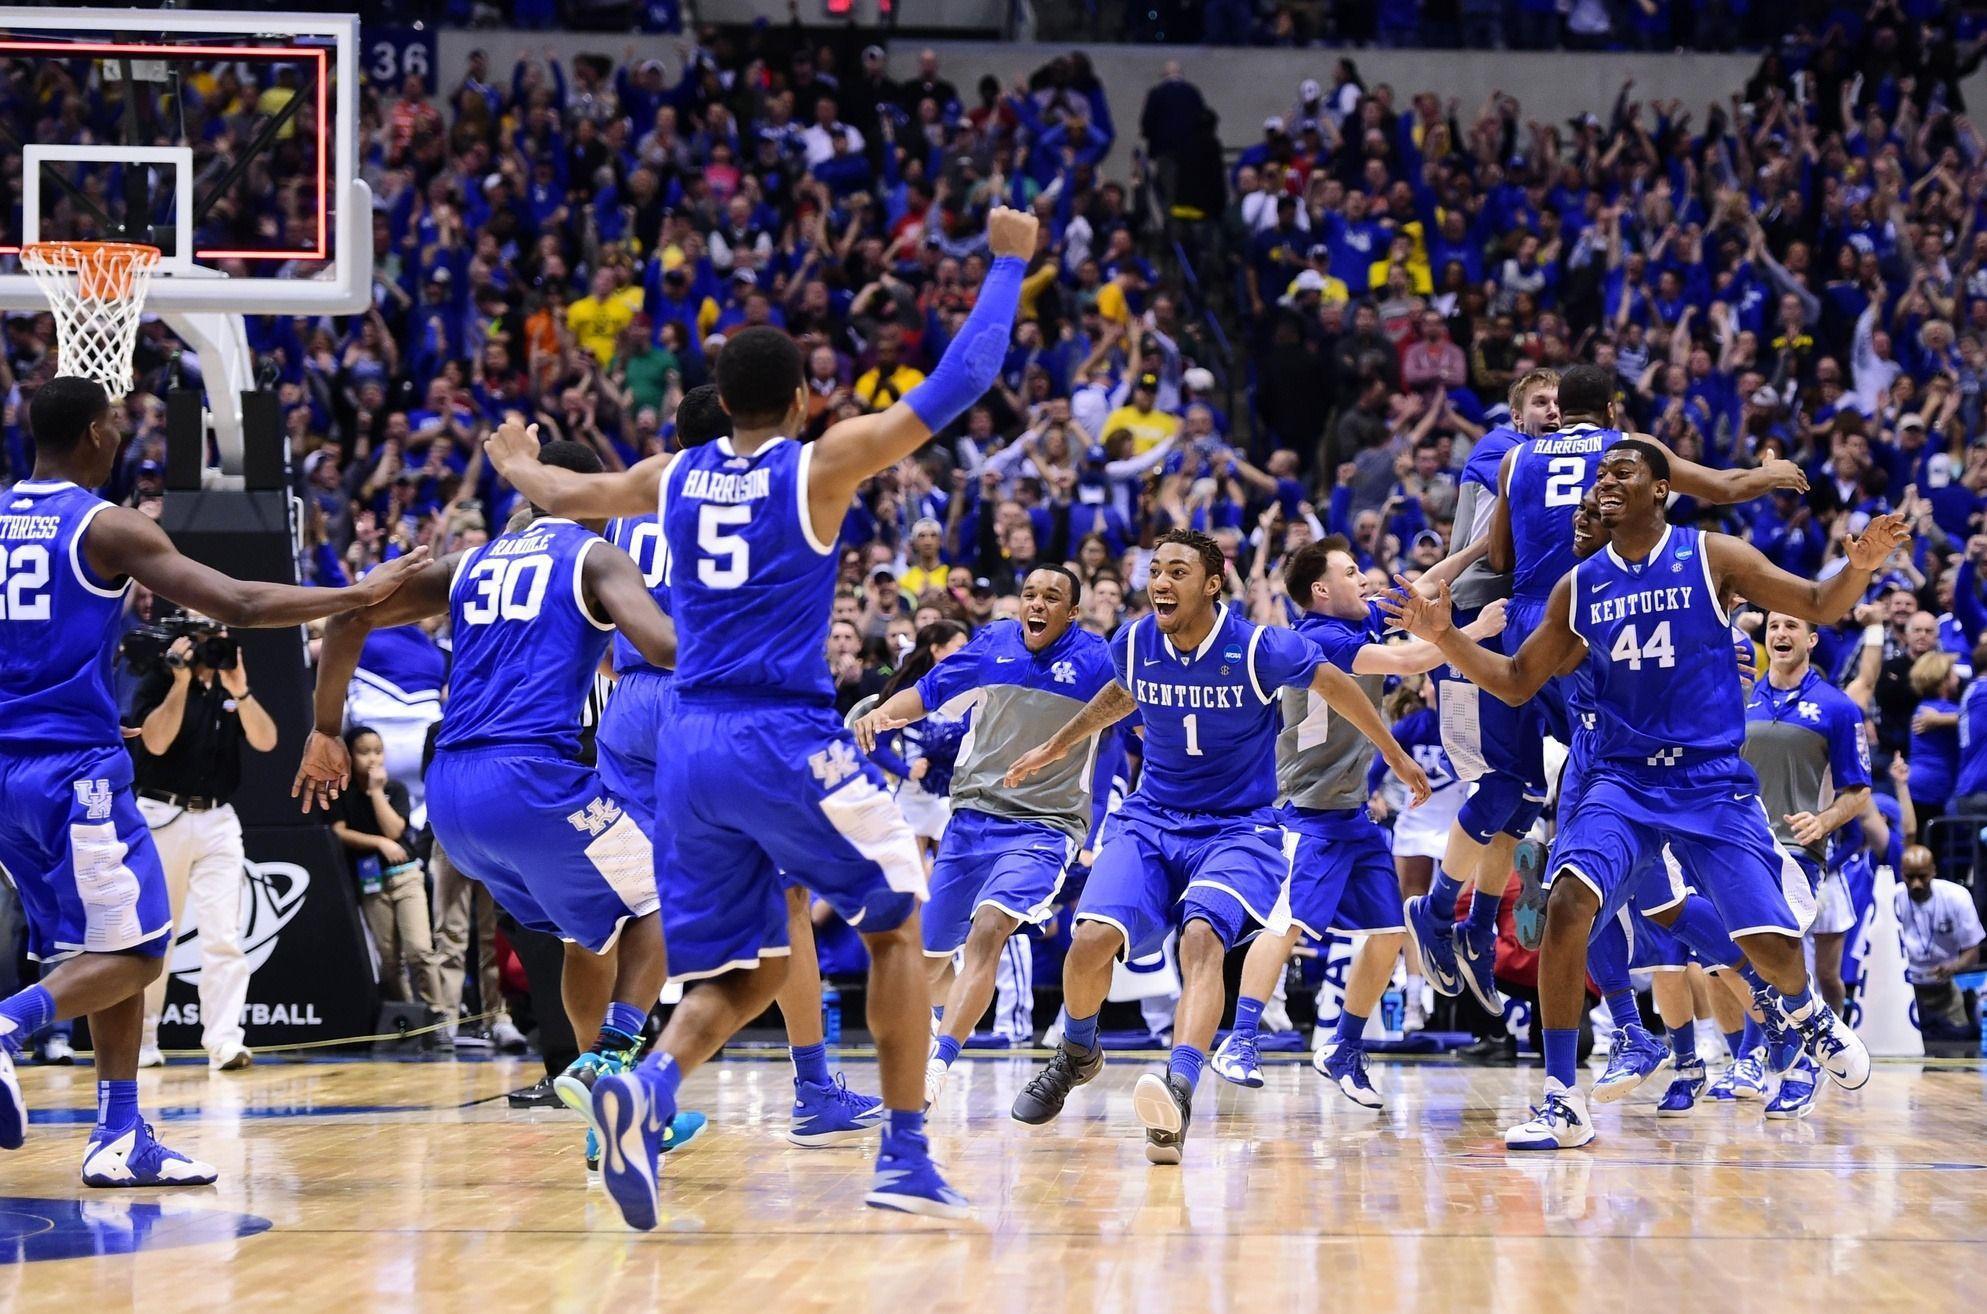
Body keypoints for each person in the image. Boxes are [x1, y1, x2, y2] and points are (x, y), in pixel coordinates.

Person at [483, 205, 1040, 1227]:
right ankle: (906, 1157)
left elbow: (563, 490)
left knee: (754, 963)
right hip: (779, 732)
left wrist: (515, 461)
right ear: (798, 398)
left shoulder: (669, 475)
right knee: (898, 924)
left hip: (683, 745)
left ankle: (644, 1090)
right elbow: (958, 384)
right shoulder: (819, 464)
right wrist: (1005, 266)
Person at [1382, 438, 1899, 1151]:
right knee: (1565, 904)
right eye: (1599, 475)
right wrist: (1442, 638)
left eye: (1622, 470)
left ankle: (1804, 1011)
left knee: (1763, 939)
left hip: (1707, 779)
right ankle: (1564, 1098)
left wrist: (1859, 568)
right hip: (1620, 779)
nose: (1604, 482)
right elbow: (1512, 682)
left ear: (1661, 489)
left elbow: (1816, 602)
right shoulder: (1578, 586)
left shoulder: (1711, 556)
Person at [0, 374, 428, 1186]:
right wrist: (356, 592)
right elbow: (236, 599)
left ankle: (121, 1134)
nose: (121, 437)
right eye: (118, 423)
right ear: (95, 434)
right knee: (136, 953)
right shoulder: (104, 526)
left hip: (6, 767)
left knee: (97, 950)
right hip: (70, 772)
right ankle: (7, 1028)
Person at [295, 436, 683, 1181]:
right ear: (582, 496)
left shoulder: (471, 562)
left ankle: (603, 1099)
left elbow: (348, 620)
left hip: (452, 798)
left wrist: (323, 730)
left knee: (584, 934)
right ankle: (607, 1067)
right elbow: (663, 645)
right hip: (528, 780)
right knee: (666, 895)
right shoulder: (594, 557)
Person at [1001, 529, 1431, 1164]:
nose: (1161, 582)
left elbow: (1336, 684)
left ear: (1211, 583)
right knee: (1088, 939)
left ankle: (1178, 1090)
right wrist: (1055, 745)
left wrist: (1392, 753)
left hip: (1236, 827)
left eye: (1178, 571)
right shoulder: (1136, 640)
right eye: (1155, 570)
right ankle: (1076, 1051)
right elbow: (1121, 696)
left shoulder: (1261, 646)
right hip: (1151, 817)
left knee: (1202, 938)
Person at [1410, 364, 1808, 1013]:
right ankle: (1574, 931)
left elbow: (1502, 560)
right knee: (1607, 787)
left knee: (1508, 789)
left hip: (1512, 626)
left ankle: (1467, 920)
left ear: (1557, 410)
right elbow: (1721, 487)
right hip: (1587, 623)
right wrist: (1767, 474)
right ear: (1613, 409)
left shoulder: (1511, 459)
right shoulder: (1624, 456)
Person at [597, 384, 884, 1149]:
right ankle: (813, 1086)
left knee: (644, 900)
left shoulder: (630, 503)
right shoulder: (748, 497)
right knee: (784, 904)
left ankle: (614, 1064)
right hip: (705, 702)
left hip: (624, 703)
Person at [1210, 537, 1502, 1109]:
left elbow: (1411, 592)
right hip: (1303, 813)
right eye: (1350, 573)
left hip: (1351, 815)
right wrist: (1480, 631)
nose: (1364, 580)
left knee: (1389, 934)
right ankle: (1240, 1039)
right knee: (1284, 925)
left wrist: (1478, 548)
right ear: (1321, 590)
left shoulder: (1357, 621)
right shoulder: (1317, 641)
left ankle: (1343, 1050)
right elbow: (1411, 659)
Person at [851, 567, 1118, 1111]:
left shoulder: (1098, 658)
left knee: (991, 928)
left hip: (1045, 825)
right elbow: (927, 694)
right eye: (1029, 595)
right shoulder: (993, 640)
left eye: (1052, 597)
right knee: (924, 964)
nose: (1037, 604)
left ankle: (937, 1067)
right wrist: (881, 715)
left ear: (1071, 611)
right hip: (971, 818)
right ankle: (925, 1035)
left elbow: (1145, 716)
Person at [126, 618, 273, 1072]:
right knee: (155, 936)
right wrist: (180, 682)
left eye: (219, 640)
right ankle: (144, 1039)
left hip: (217, 818)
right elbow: (154, 740)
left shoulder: (231, 685)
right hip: (161, 814)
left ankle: (225, 1040)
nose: (211, 649)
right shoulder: (159, 676)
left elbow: (267, 741)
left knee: (224, 935)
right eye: (204, 641)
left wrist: (241, 689)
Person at [1741, 610, 1871, 1116]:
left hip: (1797, 850)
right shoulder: (1743, 696)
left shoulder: (1837, 708)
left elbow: (1858, 791)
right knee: (1744, 958)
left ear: (1812, 639)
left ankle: (1802, 1064)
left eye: (1792, 626)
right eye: (1774, 626)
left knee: (1780, 951)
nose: (1780, 634)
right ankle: (1764, 1051)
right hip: (1741, 843)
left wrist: (1823, 821)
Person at [331, 727, 445, 1016]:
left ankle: (436, 1017)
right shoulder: (341, 793)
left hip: (405, 876)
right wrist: (378, 843)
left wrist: (376, 792)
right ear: (349, 754)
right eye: (364, 751)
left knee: (419, 949)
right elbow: (338, 832)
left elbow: (394, 830)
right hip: (371, 880)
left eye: (378, 751)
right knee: (389, 957)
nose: (372, 758)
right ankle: (407, 1016)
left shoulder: (394, 789)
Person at [1896, 845, 1984, 1037]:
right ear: (1901, 873)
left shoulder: (1957, 897)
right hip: (1906, 993)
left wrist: (1953, 966)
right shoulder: (1891, 899)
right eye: (1910, 877)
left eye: (1923, 876)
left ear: (1933, 871)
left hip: (1946, 991)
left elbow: (1973, 951)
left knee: (1958, 1048)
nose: (1917, 884)